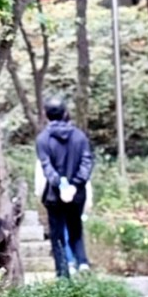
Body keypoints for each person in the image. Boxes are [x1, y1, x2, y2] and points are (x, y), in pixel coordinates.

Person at [35, 96, 94, 278]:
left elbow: (47, 167)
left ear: (46, 115)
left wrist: (60, 185)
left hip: (54, 196)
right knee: (76, 231)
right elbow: (87, 162)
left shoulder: (43, 139)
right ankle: (83, 265)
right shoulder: (79, 136)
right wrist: (76, 184)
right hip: (77, 195)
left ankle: (63, 273)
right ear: (65, 113)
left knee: (57, 234)